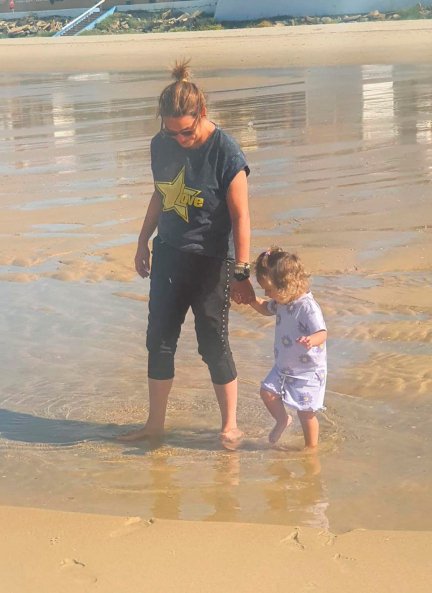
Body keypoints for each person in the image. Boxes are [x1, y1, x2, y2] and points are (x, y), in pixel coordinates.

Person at [121, 59, 254, 448]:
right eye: (172, 131)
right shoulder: (160, 143)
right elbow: (161, 193)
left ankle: (229, 425)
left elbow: (241, 215)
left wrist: (242, 271)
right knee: (159, 338)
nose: (180, 139)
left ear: (203, 114)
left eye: (187, 131)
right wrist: (143, 240)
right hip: (168, 256)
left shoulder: (225, 150)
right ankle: (154, 425)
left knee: (212, 340)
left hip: (212, 261)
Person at [249, 248, 327, 450]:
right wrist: (250, 299)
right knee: (267, 393)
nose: (266, 294)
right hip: (283, 366)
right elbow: (266, 309)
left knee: (306, 412)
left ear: (287, 285)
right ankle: (282, 420)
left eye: (269, 289)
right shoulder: (282, 301)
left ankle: (311, 448)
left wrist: (312, 340)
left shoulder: (307, 307)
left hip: (307, 370)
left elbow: (323, 332)